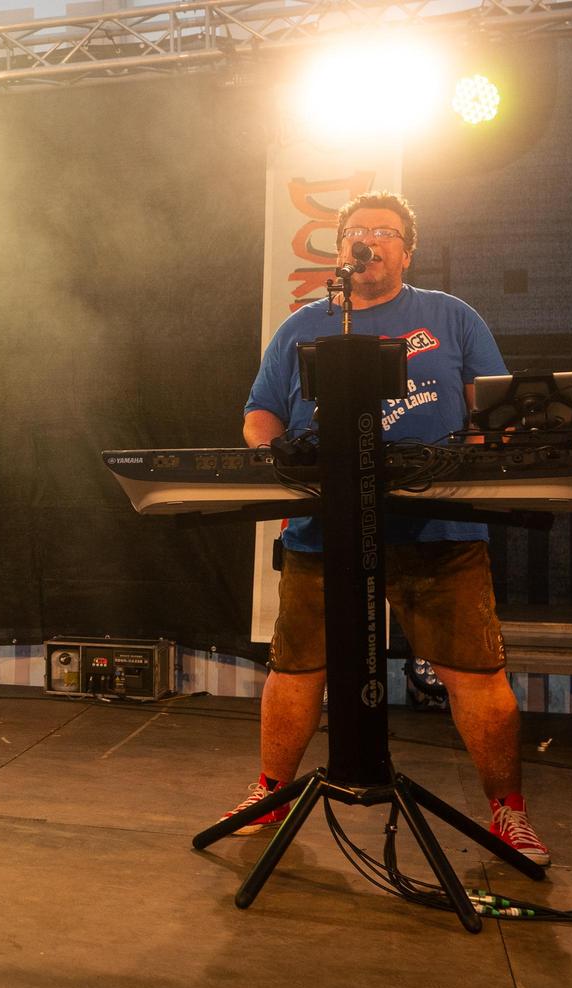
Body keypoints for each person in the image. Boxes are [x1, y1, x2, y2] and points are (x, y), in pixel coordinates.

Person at [235, 191, 550, 864]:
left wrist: (500, 438)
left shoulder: (450, 316)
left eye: (385, 232)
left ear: (406, 250)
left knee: (474, 672)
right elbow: (262, 412)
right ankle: (267, 796)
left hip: (437, 529)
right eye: (357, 230)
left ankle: (508, 813)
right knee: (295, 669)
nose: (369, 239)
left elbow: (492, 405)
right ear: (341, 246)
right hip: (324, 532)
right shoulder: (300, 328)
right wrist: (270, 457)